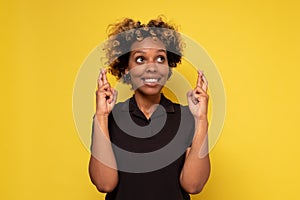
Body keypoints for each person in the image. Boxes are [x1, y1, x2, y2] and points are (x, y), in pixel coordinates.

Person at [89, 16, 210, 200]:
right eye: (140, 59)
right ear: (126, 69)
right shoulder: (109, 118)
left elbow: (193, 185)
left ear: (168, 67)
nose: (151, 67)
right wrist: (101, 116)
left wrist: (201, 119)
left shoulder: (187, 117)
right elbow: (105, 184)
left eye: (160, 58)